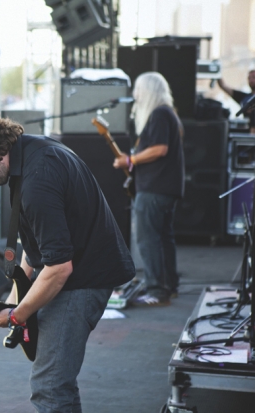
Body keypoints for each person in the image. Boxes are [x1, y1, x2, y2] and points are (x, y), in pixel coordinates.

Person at [0, 112, 134, 413]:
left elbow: (59, 268)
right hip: (80, 270)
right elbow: (35, 246)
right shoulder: (31, 153)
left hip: (84, 278)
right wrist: (13, 296)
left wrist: (19, 314)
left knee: (49, 386)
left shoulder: (38, 180)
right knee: (59, 383)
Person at [114, 72, 185, 306]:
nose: (135, 95)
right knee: (164, 238)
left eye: (138, 90)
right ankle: (168, 286)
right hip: (165, 187)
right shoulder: (168, 113)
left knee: (148, 239)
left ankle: (156, 290)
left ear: (148, 91)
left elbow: (159, 149)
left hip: (155, 187)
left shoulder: (159, 114)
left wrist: (131, 160)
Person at [218, 69, 255, 133]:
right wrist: (217, 72)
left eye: (254, 77)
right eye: (249, 78)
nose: (251, 80)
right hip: (247, 134)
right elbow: (223, 86)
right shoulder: (244, 97)